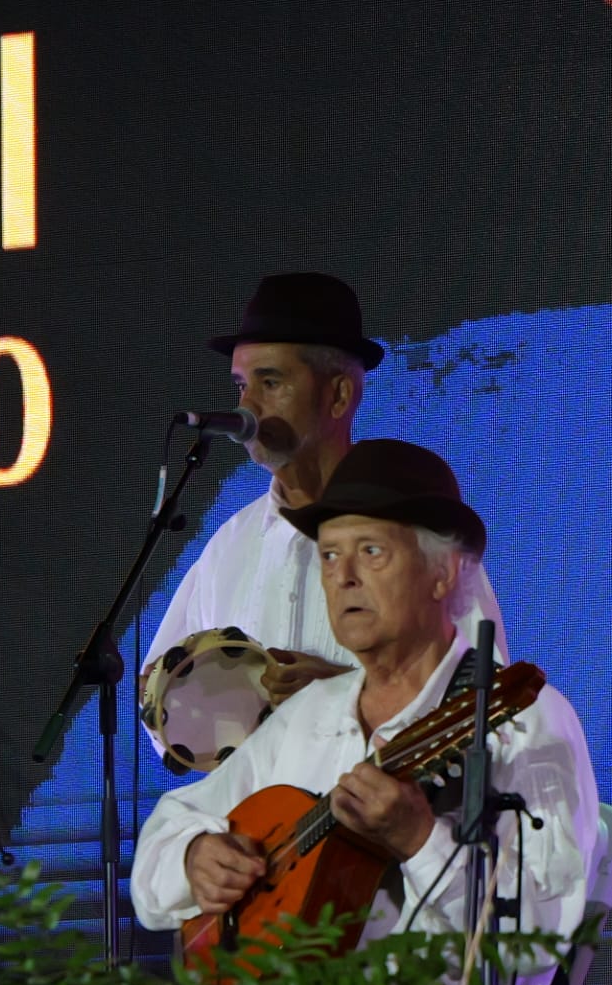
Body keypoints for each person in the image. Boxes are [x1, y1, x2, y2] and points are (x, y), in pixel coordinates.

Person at [132, 439, 596, 985]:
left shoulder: (524, 722)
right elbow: (164, 838)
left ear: (442, 573)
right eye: (329, 556)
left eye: (371, 551)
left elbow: (531, 948)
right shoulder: (308, 713)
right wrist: (194, 856)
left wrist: (420, 840)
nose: (343, 577)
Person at [148, 273, 506, 706]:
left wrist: (346, 696)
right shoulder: (231, 546)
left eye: (270, 383)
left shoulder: (417, 530)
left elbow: (484, 707)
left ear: (338, 395)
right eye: (242, 385)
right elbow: (164, 702)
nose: (247, 406)